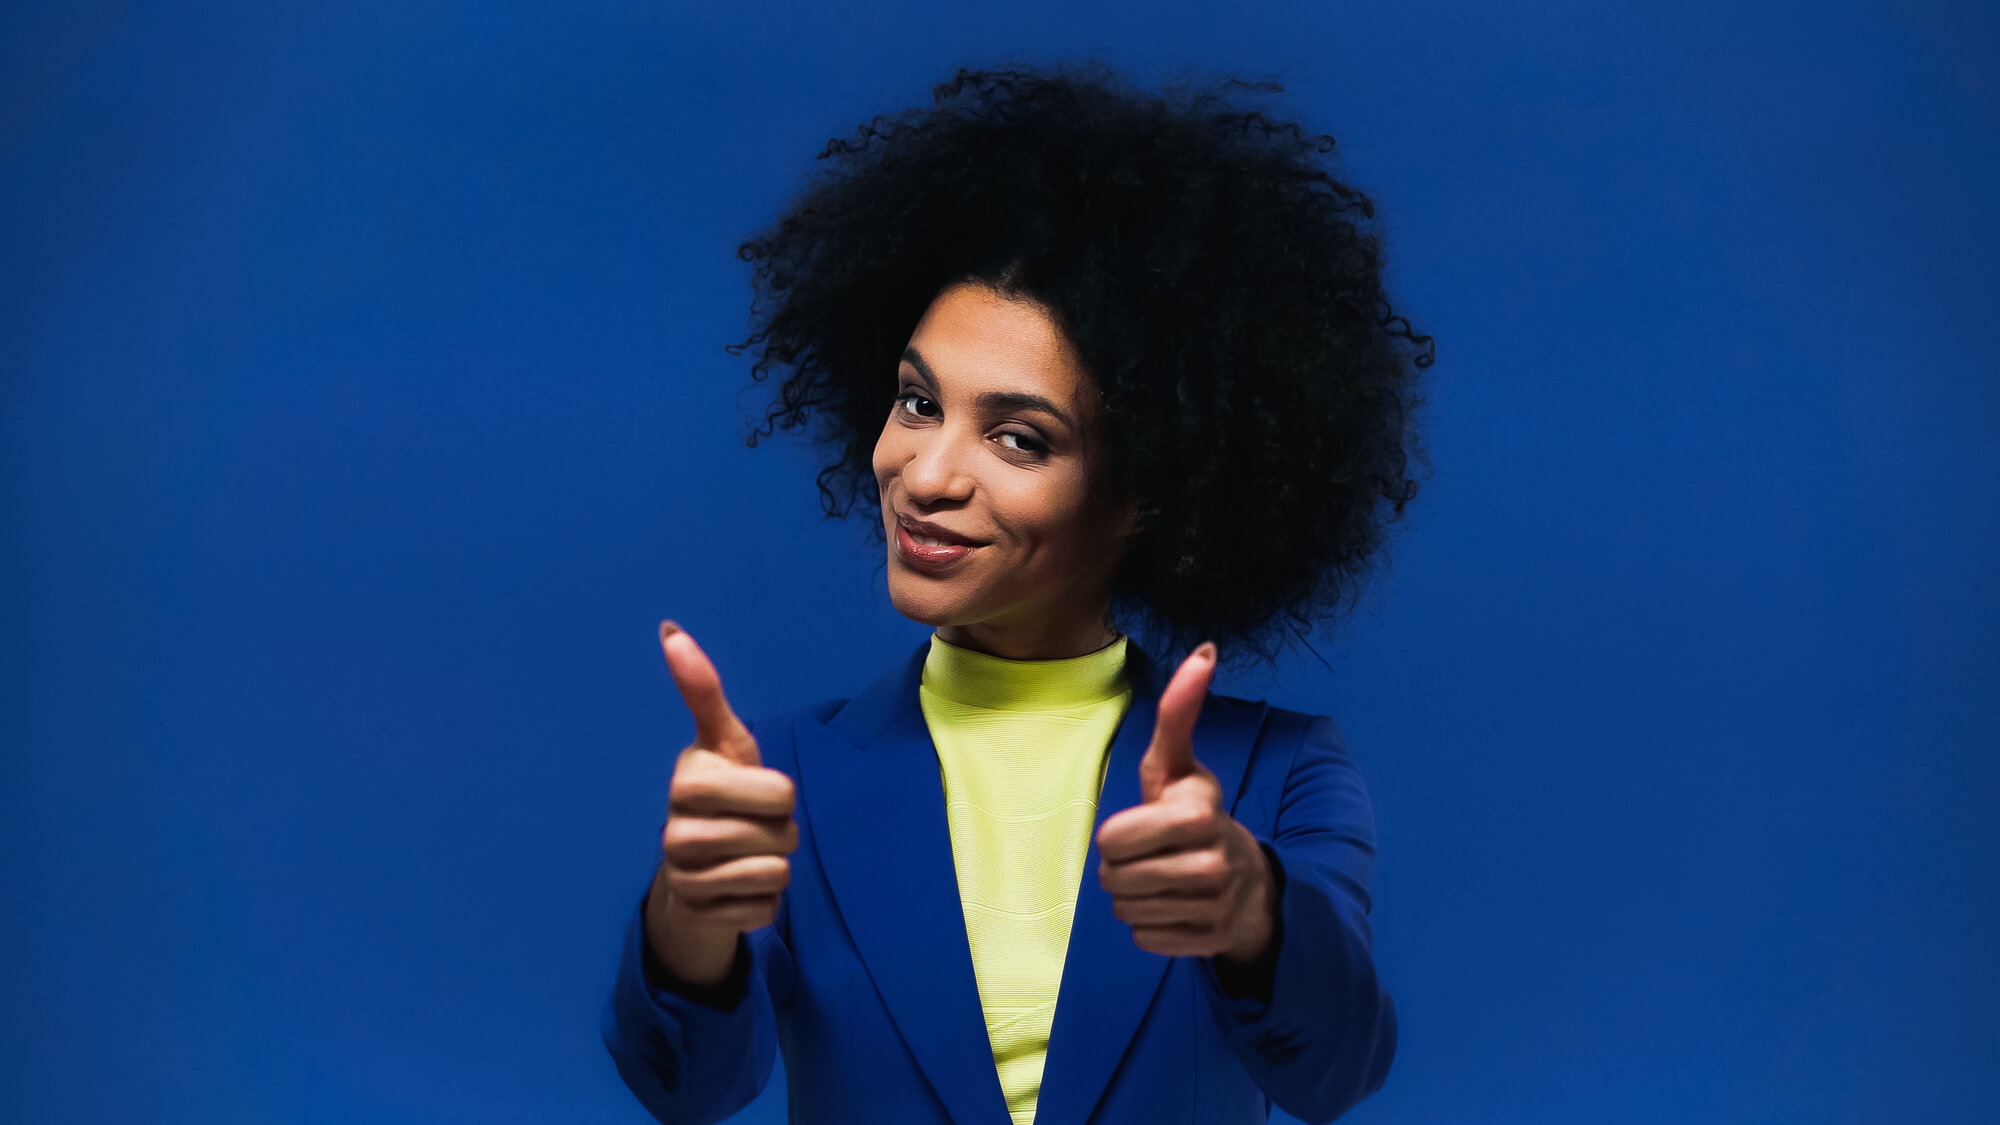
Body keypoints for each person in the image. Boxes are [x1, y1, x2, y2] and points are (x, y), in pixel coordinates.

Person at [602, 59, 1433, 1125]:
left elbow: (1335, 1070)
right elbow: (689, 1088)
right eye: (914, 402)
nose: (929, 473)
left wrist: (1248, 911)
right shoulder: (781, 780)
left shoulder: (1277, 773)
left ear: (1144, 494)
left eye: (1017, 437)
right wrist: (688, 915)